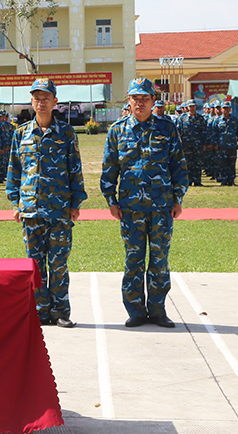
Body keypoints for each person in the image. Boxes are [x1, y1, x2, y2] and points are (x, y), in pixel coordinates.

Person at [101, 77, 188, 328]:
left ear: (153, 101)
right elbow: (110, 169)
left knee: (159, 259)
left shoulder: (167, 128)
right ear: (128, 100)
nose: (140, 103)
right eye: (135, 98)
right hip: (130, 208)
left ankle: (158, 310)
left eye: (145, 99)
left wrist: (178, 198)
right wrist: (111, 200)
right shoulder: (117, 130)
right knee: (134, 260)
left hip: (161, 206)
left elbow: (178, 166)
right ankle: (136, 310)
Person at [6, 78, 87, 328]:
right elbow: (14, 170)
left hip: (59, 208)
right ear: (32, 101)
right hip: (30, 209)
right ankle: (41, 311)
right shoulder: (21, 134)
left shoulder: (66, 133)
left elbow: (75, 169)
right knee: (36, 264)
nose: (41, 102)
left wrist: (76, 203)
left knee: (59, 263)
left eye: (46, 98)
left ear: (55, 102)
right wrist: (15, 204)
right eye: (36, 98)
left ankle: (60, 311)